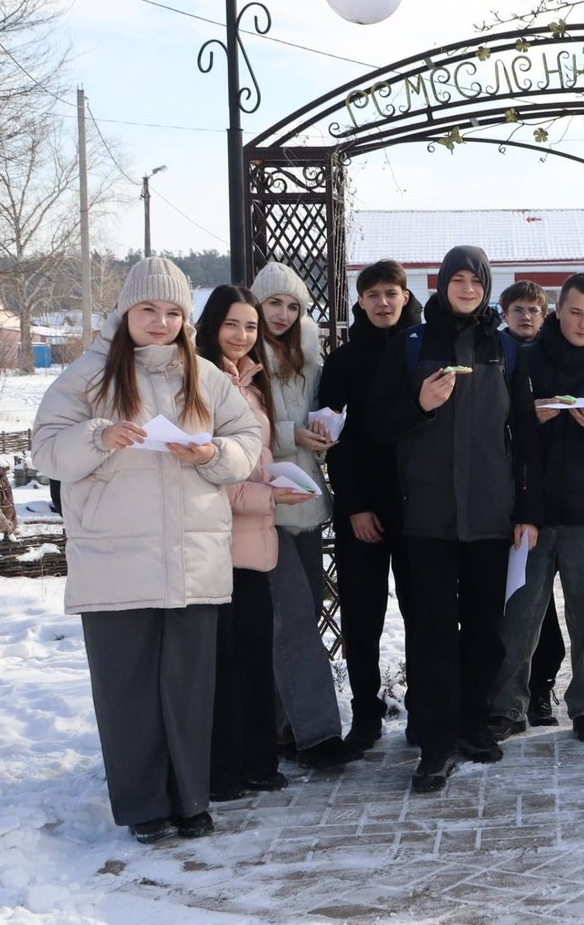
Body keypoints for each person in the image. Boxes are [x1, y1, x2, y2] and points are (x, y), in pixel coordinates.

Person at [32, 257, 264, 843]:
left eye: (172, 312)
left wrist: (210, 456)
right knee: (127, 687)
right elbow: (47, 449)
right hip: (115, 558)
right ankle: (143, 806)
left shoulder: (206, 376)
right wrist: (99, 437)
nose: (160, 322)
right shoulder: (88, 375)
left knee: (189, 686)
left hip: (193, 558)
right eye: (148, 310)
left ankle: (191, 799)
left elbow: (246, 438)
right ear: (126, 312)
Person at [368, 246, 539, 792]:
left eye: (475, 280)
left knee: (487, 631)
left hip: (492, 516)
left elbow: (527, 436)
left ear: (488, 286)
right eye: (456, 279)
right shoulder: (411, 344)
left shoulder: (506, 348)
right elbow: (376, 426)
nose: (466, 288)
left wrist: (526, 508)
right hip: (427, 517)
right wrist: (419, 403)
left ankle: (473, 724)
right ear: (440, 285)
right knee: (434, 633)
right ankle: (435, 744)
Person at [489, 274, 584, 745]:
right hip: (530, 512)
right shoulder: (524, 361)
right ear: (557, 310)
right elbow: (498, 432)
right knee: (520, 613)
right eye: (575, 312)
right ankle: (508, 705)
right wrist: (527, 417)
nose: (583, 323)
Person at [193, 286, 323, 802]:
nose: (243, 335)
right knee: (223, 658)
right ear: (210, 326)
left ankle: (256, 760)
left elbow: (255, 455)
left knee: (252, 648)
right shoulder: (200, 380)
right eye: (232, 325)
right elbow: (210, 469)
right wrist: (267, 497)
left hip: (254, 536)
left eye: (249, 327)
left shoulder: (251, 379)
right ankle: (223, 772)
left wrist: (280, 483)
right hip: (218, 538)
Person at [247, 263, 356, 766]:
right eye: (274, 303)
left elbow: (318, 419)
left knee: (302, 614)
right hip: (264, 505)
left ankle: (279, 727)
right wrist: (293, 435)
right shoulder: (243, 358)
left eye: (292, 306)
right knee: (292, 619)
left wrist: (325, 433)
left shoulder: (312, 359)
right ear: (257, 305)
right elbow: (240, 432)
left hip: (308, 503)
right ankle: (316, 736)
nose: (282, 314)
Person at [317, 260, 420, 750]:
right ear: (360, 301)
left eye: (391, 293)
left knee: (425, 613)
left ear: (405, 296)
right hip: (362, 508)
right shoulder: (342, 362)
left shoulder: (425, 351)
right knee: (363, 616)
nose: (383, 302)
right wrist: (354, 506)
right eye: (373, 294)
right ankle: (366, 711)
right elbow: (337, 441)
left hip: (420, 506)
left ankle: (423, 706)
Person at [499, 278, 563, 726]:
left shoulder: (552, 355)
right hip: (502, 493)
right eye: (518, 309)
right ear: (504, 314)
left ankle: (541, 689)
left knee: (544, 608)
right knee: (516, 603)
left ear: (545, 315)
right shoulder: (496, 354)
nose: (526, 316)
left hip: (546, 496)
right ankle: (506, 696)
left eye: (533, 310)